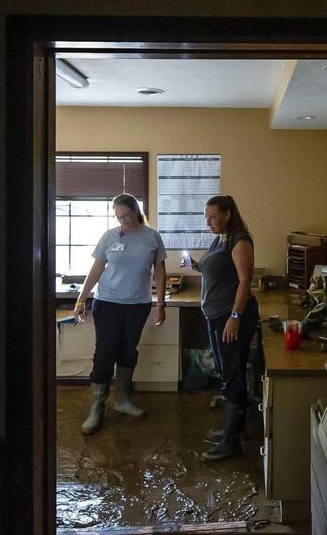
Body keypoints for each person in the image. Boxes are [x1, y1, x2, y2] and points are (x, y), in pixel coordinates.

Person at [74, 193, 167, 435]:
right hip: (108, 302)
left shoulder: (152, 237)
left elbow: (159, 270)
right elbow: (96, 269)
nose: (122, 220)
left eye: (126, 215)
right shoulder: (110, 236)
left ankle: (123, 400)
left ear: (136, 211)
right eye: (118, 216)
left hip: (138, 305)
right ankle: (97, 406)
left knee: (128, 351)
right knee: (105, 352)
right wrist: (81, 298)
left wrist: (160, 303)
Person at [182, 194, 259, 461]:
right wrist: (194, 264)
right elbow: (215, 270)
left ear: (227, 214)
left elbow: (244, 281)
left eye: (213, 217)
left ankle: (231, 443)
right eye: (206, 218)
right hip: (216, 316)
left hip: (231, 317)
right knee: (227, 371)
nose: (209, 223)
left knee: (233, 373)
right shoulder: (221, 239)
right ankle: (232, 430)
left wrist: (235, 316)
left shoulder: (240, 240)